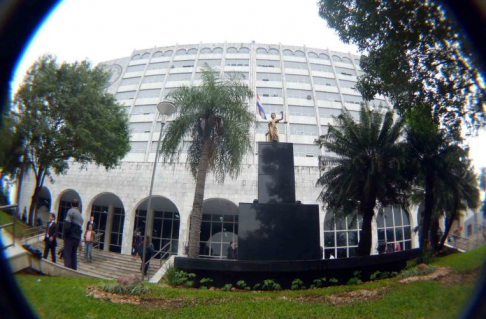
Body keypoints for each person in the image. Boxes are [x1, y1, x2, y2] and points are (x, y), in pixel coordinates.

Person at [63, 199, 83, 270]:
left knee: (67, 254)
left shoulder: (70, 211)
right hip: (77, 238)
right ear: (78, 205)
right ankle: (74, 270)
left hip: (70, 236)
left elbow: (67, 224)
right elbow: (80, 230)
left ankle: (66, 270)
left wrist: (65, 235)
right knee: (74, 255)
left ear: (72, 205)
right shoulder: (80, 216)